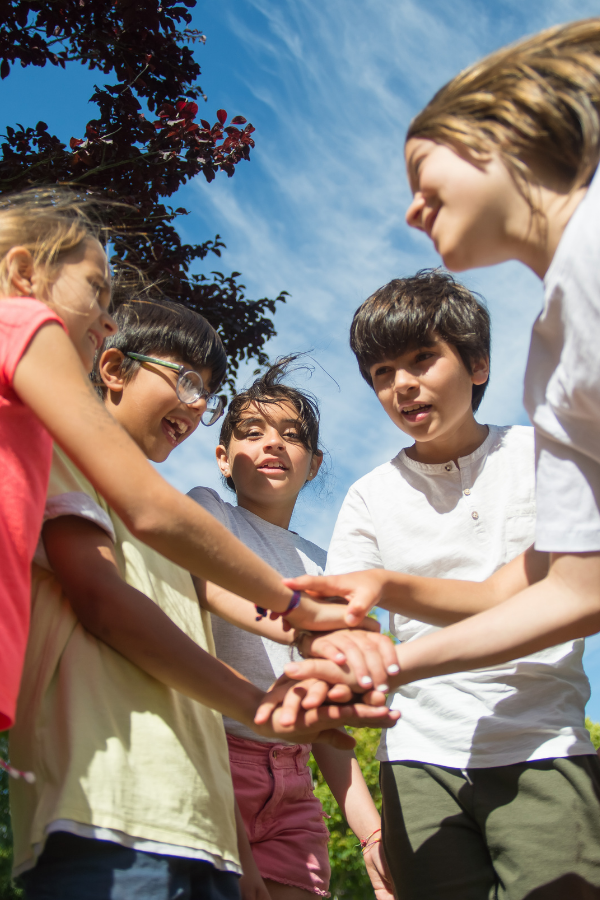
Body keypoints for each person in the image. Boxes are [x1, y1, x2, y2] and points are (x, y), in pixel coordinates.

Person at [9, 299, 397, 900]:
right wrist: (268, 683)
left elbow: (217, 600)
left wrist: (314, 630)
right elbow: (114, 600)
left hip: (203, 805)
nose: (195, 404)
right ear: (110, 367)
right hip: (109, 804)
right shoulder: (143, 498)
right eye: (187, 380)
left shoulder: (179, 535)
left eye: (207, 393)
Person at [283, 19, 600, 691]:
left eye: (422, 173)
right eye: (381, 373)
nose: (409, 211)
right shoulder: (553, 354)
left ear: (503, 140)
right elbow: (576, 590)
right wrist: (383, 665)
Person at [0, 186, 387, 734]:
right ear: (22, 273)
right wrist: (295, 610)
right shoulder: (20, 324)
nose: (109, 321)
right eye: (95, 291)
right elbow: (147, 515)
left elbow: (200, 581)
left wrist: (296, 632)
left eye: (207, 392)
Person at [284, 272, 600, 900]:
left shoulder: (547, 459)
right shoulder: (369, 496)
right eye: (381, 372)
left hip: (544, 740)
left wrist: (383, 598)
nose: (401, 384)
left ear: (478, 363)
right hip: (418, 758)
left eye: (421, 359)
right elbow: (334, 621)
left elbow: (534, 593)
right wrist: (328, 649)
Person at [188, 359, 395, 900]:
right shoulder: (209, 513)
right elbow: (210, 588)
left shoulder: (326, 565)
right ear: (223, 458)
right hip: (214, 756)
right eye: (252, 433)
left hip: (294, 781)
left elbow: (326, 724)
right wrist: (299, 624)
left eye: (292, 436)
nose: (273, 444)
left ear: (314, 462)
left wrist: (371, 832)